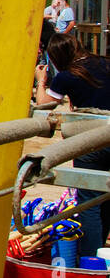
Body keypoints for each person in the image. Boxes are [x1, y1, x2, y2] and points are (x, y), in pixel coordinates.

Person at [36, 34, 110, 258]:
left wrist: (41, 79)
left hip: (90, 140)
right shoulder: (104, 62)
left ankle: (90, 259)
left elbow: (42, 104)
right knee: (106, 196)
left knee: (89, 202)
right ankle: (100, 254)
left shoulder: (67, 76)